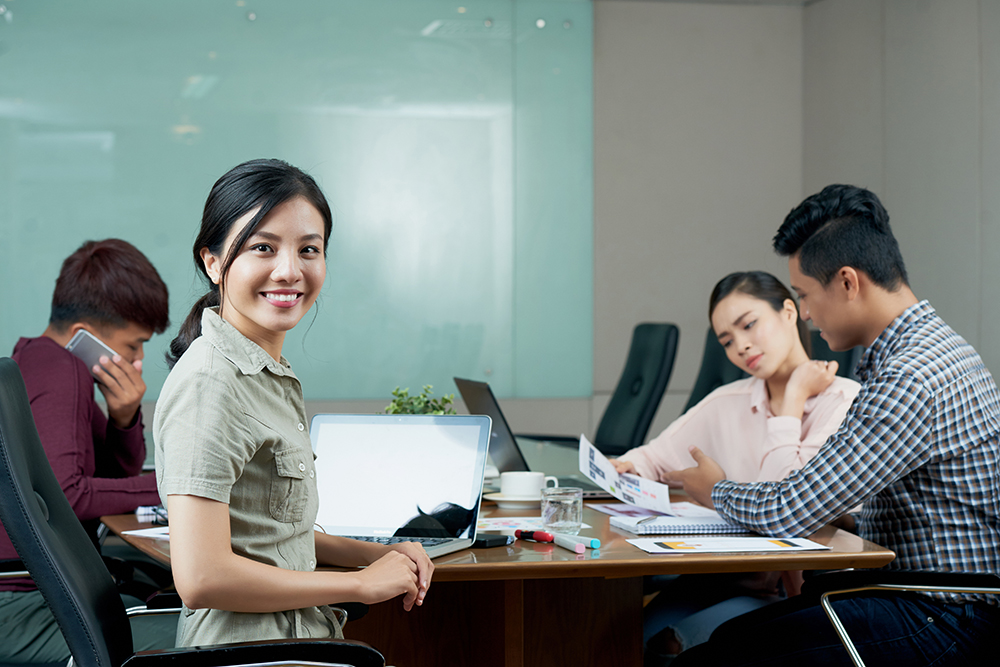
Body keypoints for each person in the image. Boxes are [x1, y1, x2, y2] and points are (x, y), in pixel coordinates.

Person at [668, 184, 1000, 666]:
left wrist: (716, 489)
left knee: (715, 655)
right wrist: (845, 514)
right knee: (729, 639)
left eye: (803, 295)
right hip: (925, 599)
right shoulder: (928, 351)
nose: (803, 313)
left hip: (942, 615)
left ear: (847, 282)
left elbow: (789, 508)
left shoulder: (911, 376)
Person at [154, 158, 434, 647]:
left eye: (310, 249)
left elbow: (271, 537)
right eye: (263, 248)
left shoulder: (264, 372)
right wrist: (359, 585)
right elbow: (201, 578)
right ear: (213, 262)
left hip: (299, 639)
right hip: (247, 652)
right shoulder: (209, 382)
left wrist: (374, 555)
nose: (290, 271)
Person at [611, 271, 860, 659]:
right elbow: (650, 458)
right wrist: (623, 467)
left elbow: (787, 503)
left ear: (789, 312)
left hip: (802, 593)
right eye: (727, 341)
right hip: (730, 577)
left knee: (668, 645)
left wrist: (793, 401)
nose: (741, 346)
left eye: (749, 325)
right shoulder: (727, 400)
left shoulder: (845, 402)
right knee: (617, 637)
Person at [0, 238, 174, 664]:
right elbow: (69, 493)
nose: (137, 359)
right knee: (217, 632)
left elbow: (114, 478)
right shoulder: (63, 374)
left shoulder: (35, 358)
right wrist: (180, 485)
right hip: (21, 606)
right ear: (85, 337)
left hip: (32, 595)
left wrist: (124, 417)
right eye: (134, 344)